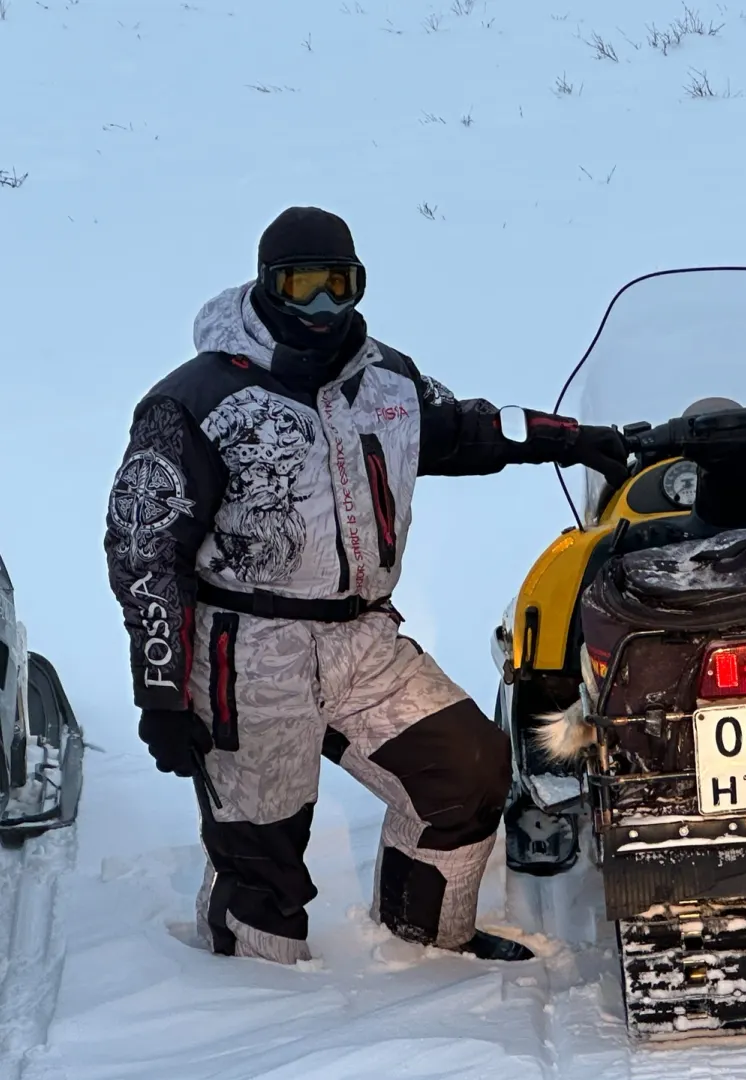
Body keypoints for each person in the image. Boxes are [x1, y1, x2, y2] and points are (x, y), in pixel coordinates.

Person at [104, 206, 631, 965]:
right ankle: (251, 998)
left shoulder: (386, 379)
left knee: (469, 770)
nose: (321, 308)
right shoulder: (196, 401)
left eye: (338, 286)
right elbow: (141, 550)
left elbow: (469, 427)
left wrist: (576, 439)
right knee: (262, 852)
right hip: (246, 652)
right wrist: (160, 689)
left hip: (361, 639)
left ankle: (426, 943)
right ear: (266, 287)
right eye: (301, 286)